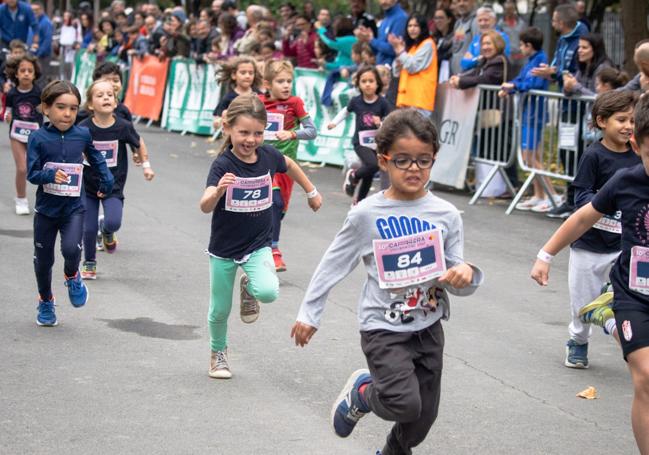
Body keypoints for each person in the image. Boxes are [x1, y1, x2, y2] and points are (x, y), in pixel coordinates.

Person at [291, 108, 482, 454]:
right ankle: (364, 394)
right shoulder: (367, 214)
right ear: (383, 160)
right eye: (403, 160)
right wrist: (309, 313)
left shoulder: (447, 215)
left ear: (433, 160)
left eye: (423, 161)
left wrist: (465, 274)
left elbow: (455, 276)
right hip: (383, 327)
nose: (414, 169)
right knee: (403, 404)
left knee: (420, 420)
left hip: (428, 327)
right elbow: (333, 263)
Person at [530, 94, 649, 455]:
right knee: (645, 376)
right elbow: (582, 217)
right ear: (637, 145)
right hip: (633, 295)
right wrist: (545, 255)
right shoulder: (626, 181)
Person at [200, 94, 322, 379]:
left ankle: (250, 288)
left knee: (268, 291)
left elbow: (289, 164)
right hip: (224, 248)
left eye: (258, 133)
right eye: (243, 132)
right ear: (228, 129)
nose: (250, 140)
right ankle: (218, 353)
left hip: (257, 245)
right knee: (220, 309)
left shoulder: (268, 156)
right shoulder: (222, 165)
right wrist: (218, 191)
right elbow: (204, 205)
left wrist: (311, 191)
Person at [26, 80, 114, 327]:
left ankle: (72, 275)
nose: (67, 114)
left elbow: (95, 158)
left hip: (74, 207)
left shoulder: (82, 134)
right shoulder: (38, 138)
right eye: (61, 107)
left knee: (71, 250)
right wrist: (49, 175)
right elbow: (32, 174)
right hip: (46, 210)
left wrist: (106, 181)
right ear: (46, 108)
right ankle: (45, 300)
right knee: (43, 260)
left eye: (73, 109)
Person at [79, 80, 155, 280]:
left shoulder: (123, 126)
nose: (106, 97)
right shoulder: (83, 128)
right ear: (90, 104)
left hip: (113, 185)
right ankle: (89, 261)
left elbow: (138, 143)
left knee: (114, 221)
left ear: (115, 101)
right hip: (88, 186)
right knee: (88, 227)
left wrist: (146, 165)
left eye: (109, 95)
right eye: (100, 95)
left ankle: (107, 231)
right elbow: (71, 148)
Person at [259, 60, 317, 272]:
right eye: (280, 81)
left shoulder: (295, 103)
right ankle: (273, 251)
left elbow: (312, 131)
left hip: (286, 166)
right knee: (272, 203)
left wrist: (292, 133)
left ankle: (262, 244)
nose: (286, 86)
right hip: (262, 162)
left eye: (289, 81)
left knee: (279, 210)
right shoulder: (257, 102)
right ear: (267, 83)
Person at [531, 4, 587, 219]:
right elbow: (558, 69)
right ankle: (570, 198)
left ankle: (580, 200)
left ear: (561, 22)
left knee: (578, 154)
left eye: (554, 20)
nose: (552, 23)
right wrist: (551, 72)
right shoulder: (563, 40)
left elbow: (575, 71)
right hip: (566, 105)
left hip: (579, 107)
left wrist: (556, 74)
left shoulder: (581, 37)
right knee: (566, 151)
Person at [499, 27, 558, 213]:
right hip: (529, 113)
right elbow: (519, 79)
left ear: (529, 45)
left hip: (534, 114)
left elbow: (535, 83)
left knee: (530, 157)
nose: (520, 48)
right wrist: (512, 86)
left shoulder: (540, 60)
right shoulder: (532, 60)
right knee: (534, 157)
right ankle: (539, 195)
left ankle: (552, 195)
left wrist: (513, 87)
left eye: (522, 45)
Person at [328, 65, 392, 203]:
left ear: (377, 83)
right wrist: (334, 123)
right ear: (358, 84)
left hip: (376, 143)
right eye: (364, 81)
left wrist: (379, 123)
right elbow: (345, 111)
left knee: (368, 175)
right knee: (373, 165)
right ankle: (354, 176)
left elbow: (389, 123)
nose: (368, 84)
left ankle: (359, 202)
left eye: (371, 81)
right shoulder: (356, 101)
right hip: (360, 142)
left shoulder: (383, 103)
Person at [4, 53, 42, 215]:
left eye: (30, 70)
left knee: (40, 168)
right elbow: (7, 111)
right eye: (23, 70)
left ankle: (44, 201)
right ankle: (21, 199)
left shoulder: (39, 92)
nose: (26, 73)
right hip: (17, 134)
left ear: (34, 74)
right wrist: (7, 115)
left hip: (36, 135)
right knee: (22, 168)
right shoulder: (12, 93)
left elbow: (46, 110)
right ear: (16, 74)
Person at [390, 14, 438, 118]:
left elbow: (412, 67)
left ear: (423, 27)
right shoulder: (412, 47)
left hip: (419, 101)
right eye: (409, 26)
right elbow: (396, 72)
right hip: (407, 100)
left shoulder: (428, 44)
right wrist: (399, 55)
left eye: (416, 26)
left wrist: (401, 51)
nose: (412, 29)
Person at [212, 56, 261, 131]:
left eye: (251, 73)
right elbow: (218, 119)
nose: (247, 76)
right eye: (243, 73)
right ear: (234, 75)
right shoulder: (228, 98)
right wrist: (218, 122)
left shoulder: (259, 95)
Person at [355, 0, 407, 66]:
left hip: (392, 70)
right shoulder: (385, 20)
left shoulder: (400, 18)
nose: (383, 1)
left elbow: (394, 50)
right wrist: (367, 39)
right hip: (380, 68)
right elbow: (378, 51)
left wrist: (372, 40)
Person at [459, 6, 510, 72]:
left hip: (492, 77)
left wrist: (473, 59)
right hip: (473, 77)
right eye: (480, 20)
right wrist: (478, 59)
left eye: (486, 20)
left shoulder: (502, 37)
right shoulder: (476, 38)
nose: (482, 23)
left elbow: (501, 60)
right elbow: (463, 63)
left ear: (494, 21)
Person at [562, 33, 612, 97]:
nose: (579, 50)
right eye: (579, 47)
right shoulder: (583, 66)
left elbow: (598, 97)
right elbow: (570, 92)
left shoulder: (603, 68)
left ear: (595, 50)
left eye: (584, 48)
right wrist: (568, 86)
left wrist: (575, 86)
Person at [497, 0, 526, 77]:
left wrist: (522, 51)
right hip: (507, 57)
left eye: (511, 9)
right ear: (504, 10)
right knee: (507, 78)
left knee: (520, 77)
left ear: (514, 9)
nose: (509, 12)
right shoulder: (500, 24)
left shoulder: (521, 23)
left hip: (520, 56)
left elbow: (524, 39)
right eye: (507, 9)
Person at [449, 0, 478, 75]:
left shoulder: (476, 21)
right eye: (458, 1)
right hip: (455, 76)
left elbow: (477, 51)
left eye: (465, 0)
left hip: (468, 77)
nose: (461, 4)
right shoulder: (458, 23)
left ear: (473, 2)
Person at [29, 2, 53, 86]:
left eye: (36, 10)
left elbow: (47, 41)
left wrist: (38, 54)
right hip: (33, 55)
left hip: (42, 56)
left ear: (42, 10)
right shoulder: (33, 21)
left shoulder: (46, 22)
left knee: (41, 79)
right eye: (32, 10)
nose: (34, 12)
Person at [432, 7, 455, 79]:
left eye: (441, 18)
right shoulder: (433, 38)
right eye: (436, 18)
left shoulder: (455, 36)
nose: (438, 21)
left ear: (449, 19)